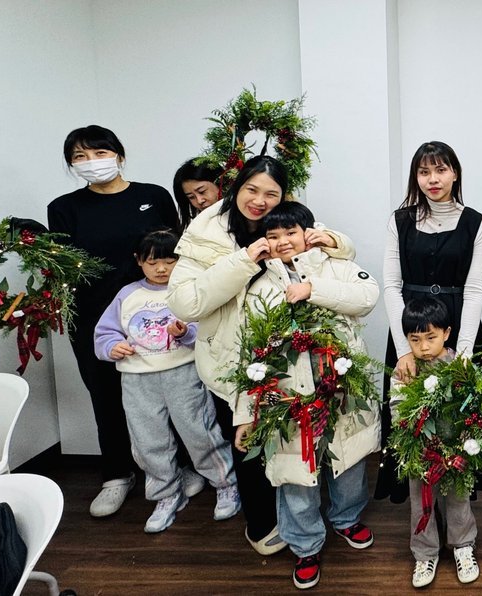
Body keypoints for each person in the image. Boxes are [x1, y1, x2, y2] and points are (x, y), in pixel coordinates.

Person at [167, 155, 354, 556]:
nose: (259, 200)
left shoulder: (284, 222)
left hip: (286, 361)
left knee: (289, 444)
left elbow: (335, 250)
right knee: (248, 447)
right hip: (230, 361)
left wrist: (335, 240)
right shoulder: (206, 233)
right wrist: (243, 260)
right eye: (251, 189)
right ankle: (262, 524)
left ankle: (301, 518)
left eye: (271, 193)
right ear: (236, 187)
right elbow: (186, 303)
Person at [232, 201, 380, 590]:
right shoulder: (260, 288)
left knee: (348, 462)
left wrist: (312, 289)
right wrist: (245, 414)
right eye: (273, 235)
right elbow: (250, 355)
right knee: (295, 474)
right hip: (288, 402)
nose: (283, 241)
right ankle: (305, 544)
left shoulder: (337, 265)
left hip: (342, 393)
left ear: (308, 233)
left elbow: (367, 297)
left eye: (290, 232)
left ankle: (347, 519)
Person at [47, 125, 180, 518]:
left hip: (158, 312)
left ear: (119, 155)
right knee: (105, 396)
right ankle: (117, 474)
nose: (92, 162)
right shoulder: (64, 208)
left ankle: (179, 467)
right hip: (94, 317)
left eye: (100, 153)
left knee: (172, 390)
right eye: (80, 157)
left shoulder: (153, 196)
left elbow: (176, 252)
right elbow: (65, 266)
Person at [92, 229, 240, 533]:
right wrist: (112, 347)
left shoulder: (188, 291)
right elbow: (104, 333)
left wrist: (185, 333)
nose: (161, 269)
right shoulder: (127, 294)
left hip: (183, 373)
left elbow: (207, 333)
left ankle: (226, 484)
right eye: (152, 262)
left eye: (169, 261)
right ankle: (166, 494)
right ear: (139, 261)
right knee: (148, 440)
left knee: (200, 431)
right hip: (137, 380)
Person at [377, 141, 482, 503]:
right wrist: (403, 350)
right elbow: (391, 285)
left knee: (459, 417)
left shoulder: (477, 223)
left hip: (458, 324)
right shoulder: (400, 220)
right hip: (411, 328)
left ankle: (457, 499)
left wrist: (464, 353)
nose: (433, 179)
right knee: (411, 417)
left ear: (455, 173)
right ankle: (419, 501)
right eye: (424, 172)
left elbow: (474, 290)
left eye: (441, 170)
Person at [391, 297, 480, 588]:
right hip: (421, 452)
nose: (424, 347)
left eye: (431, 337)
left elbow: (472, 405)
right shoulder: (406, 370)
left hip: (455, 448)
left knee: (458, 497)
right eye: (415, 340)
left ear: (447, 333)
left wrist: (466, 438)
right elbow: (397, 409)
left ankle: (463, 545)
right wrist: (411, 438)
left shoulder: (459, 366)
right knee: (421, 500)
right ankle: (425, 552)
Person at [172, 159, 223, 223]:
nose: (199, 201)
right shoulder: (197, 227)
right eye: (191, 197)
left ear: (220, 183)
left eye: (202, 192)